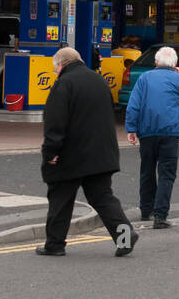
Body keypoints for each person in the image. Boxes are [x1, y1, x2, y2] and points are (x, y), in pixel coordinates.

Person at [38, 47, 137, 258]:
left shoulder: (63, 84)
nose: (55, 71)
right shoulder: (99, 81)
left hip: (71, 154)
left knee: (61, 198)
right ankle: (124, 235)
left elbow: (55, 122)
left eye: (55, 68)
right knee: (102, 197)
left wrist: (51, 151)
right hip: (101, 152)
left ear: (60, 64)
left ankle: (54, 244)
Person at [124, 45, 179, 228]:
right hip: (170, 133)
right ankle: (160, 215)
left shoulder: (144, 78)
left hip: (148, 131)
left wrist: (131, 128)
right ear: (175, 64)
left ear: (156, 62)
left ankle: (145, 209)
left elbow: (134, 104)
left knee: (147, 171)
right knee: (167, 174)